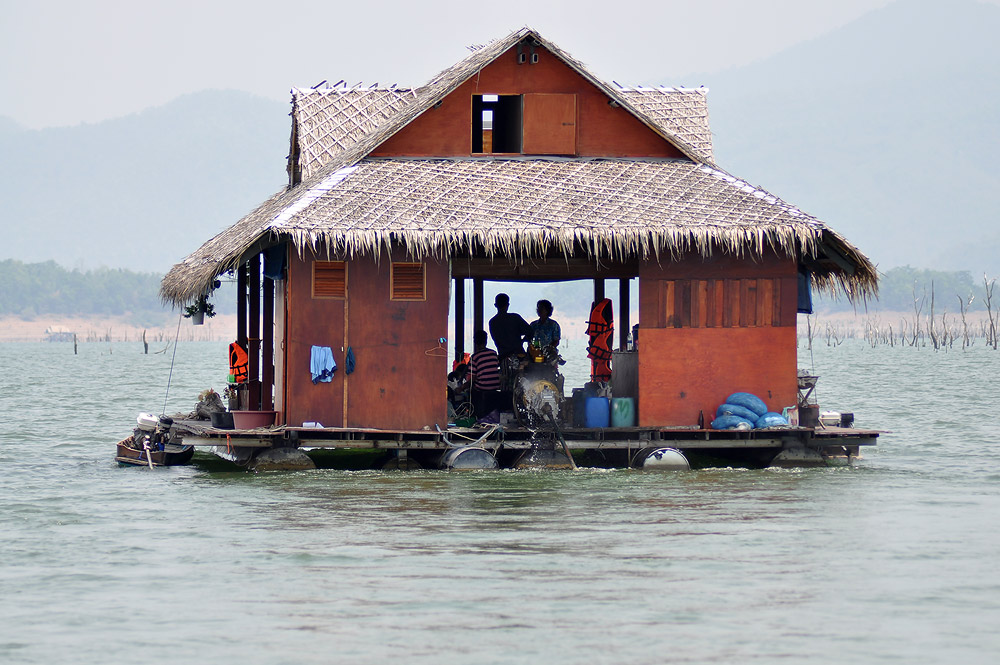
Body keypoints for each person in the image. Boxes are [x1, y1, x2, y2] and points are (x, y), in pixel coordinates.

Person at [488, 293, 532, 360]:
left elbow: (496, 341)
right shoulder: (515, 318)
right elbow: (530, 332)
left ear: (495, 305)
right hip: (519, 355)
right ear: (507, 305)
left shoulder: (492, 322)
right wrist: (522, 340)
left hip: (503, 357)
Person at [468, 330, 501, 420]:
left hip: (482, 389)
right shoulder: (493, 353)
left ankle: (474, 416)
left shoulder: (475, 357)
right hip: (495, 388)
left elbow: (472, 378)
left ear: (475, 342)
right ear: (486, 341)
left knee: (470, 392)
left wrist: (461, 388)